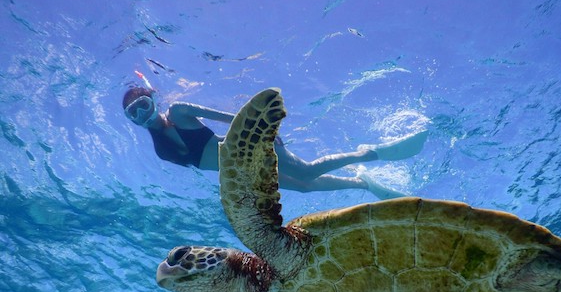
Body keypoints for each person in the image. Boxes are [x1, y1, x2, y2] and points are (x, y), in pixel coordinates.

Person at [122, 85, 428, 199]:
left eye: (143, 106)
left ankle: (368, 153)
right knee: (304, 187)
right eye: (134, 114)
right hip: (242, 174)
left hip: (244, 144)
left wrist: (262, 127)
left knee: (306, 171)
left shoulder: (179, 111)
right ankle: (364, 185)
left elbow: (230, 117)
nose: (142, 116)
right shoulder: (161, 150)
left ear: (154, 101)